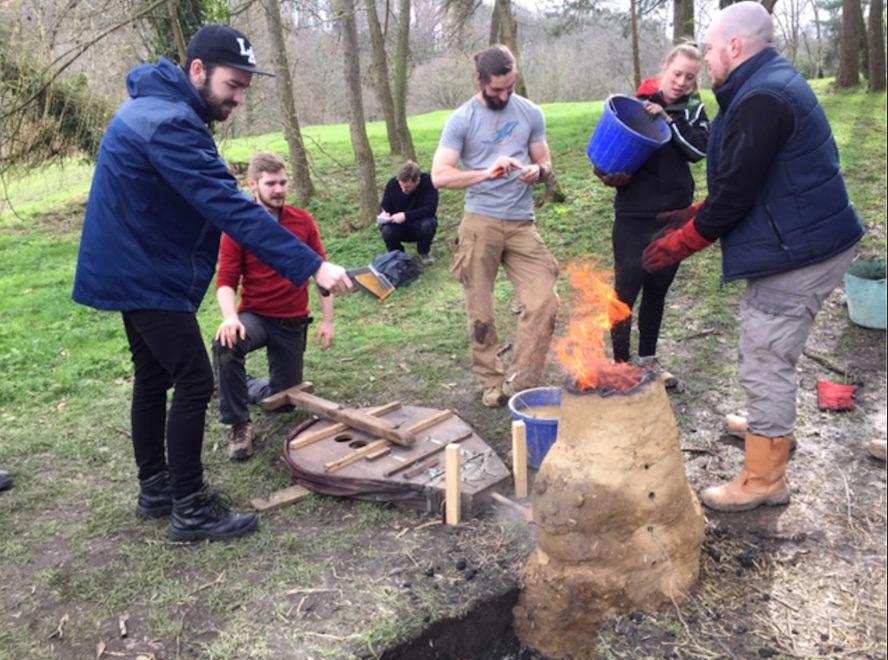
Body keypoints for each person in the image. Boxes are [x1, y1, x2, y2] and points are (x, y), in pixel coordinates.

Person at [72, 25, 352, 542]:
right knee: (195, 380)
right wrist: (313, 266)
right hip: (145, 271)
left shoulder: (155, 108)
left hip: (132, 265)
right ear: (198, 70)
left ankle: (157, 489)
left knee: (153, 377)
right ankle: (191, 508)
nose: (239, 98)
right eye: (233, 85)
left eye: (245, 87)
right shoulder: (170, 123)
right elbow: (231, 208)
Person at [642, 2, 864, 512]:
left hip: (800, 251)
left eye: (711, 50)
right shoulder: (763, 83)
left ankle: (765, 479)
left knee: (765, 355)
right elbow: (749, 176)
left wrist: (683, 240)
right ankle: (770, 426)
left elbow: (736, 197)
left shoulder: (763, 97)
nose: (707, 60)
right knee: (769, 352)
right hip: (806, 233)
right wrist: (697, 210)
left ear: (735, 46)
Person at [432, 45, 559, 408]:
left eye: (510, 87)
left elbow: (545, 159)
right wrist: (486, 173)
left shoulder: (530, 112)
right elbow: (440, 175)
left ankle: (521, 381)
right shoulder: (462, 119)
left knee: (545, 300)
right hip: (480, 222)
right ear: (480, 80)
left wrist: (538, 170)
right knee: (481, 309)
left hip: (522, 223)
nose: (504, 96)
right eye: (496, 90)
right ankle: (491, 380)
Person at [594, 43, 709, 388]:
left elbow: (698, 151)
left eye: (690, 77)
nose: (682, 82)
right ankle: (620, 365)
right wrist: (606, 173)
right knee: (625, 292)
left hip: (673, 215)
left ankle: (649, 361)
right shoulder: (636, 105)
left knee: (658, 289)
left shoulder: (693, 110)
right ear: (665, 69)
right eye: (677, 74)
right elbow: (611, 153)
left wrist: (668, 120)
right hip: (633, 214)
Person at [213, 152, 335, 461]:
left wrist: (328, 321)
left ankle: (236, 385)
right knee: (225, 344)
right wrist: (230, 317)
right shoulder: (238, 225)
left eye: (282, 182)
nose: (279, 189)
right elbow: (226, 281)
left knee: (283, 403)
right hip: (255, 317)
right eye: (271, 184)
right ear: (253, 184)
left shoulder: (302, 221)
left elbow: (321, 271)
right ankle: (239, 424)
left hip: (291, 321)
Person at [378, 160, 439, 266]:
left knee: (429, 224)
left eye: (408, 187)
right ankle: (397, 255)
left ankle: (424, 252)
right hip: (399, 227)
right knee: (386, 230)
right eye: (401, 185)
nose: (404, 189)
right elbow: (385, 206)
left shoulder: (428, 182)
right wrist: (385, 214)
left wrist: (406, 215)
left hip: (420, 224)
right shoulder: (392, 184)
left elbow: (430, 208)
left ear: (417, 180)